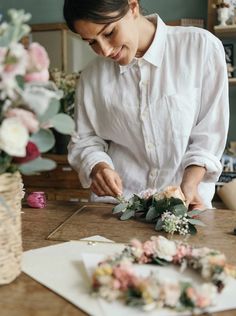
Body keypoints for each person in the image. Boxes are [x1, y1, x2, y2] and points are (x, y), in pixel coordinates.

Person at [64, 0, 229, 209]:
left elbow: (210, 134)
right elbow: (84, 140)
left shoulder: (200, 48)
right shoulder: (91, 77)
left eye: (109, 33)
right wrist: (99, 167)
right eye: (91, 42)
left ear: (133, 7)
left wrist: (190, 184)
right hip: (115, 208)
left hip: (185, 205)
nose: (104, 51)